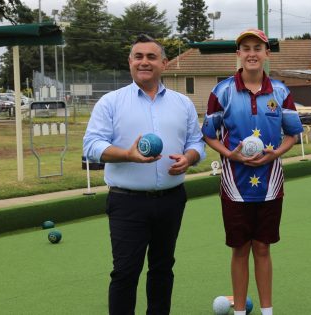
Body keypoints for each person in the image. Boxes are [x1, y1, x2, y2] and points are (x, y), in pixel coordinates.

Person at [83, 34, 206, 314]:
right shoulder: (110, 102)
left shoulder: (182, 103)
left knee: (163, 269)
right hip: (127, 202)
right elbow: (91, 146)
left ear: (164, 63)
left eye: (151, 57)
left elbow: (196, 143)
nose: (144, 62)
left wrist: (189, 158)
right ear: (130, 62)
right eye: (138, 56)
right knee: (125, 272)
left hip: (171, 199)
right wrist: (127, 155)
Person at [201, 29, 303, 315]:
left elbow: (292, 135)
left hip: (270, 184)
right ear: (238, 54)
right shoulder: (221, 91)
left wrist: (276, 154)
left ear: (266, 53)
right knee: (240, 249)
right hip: (234, 185)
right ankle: (240, 312)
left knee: (262, 248)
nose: (251, 53)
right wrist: (229, 154)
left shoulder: (281, 91)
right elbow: (208, 135)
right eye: (245, 48)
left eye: (257, 48)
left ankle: (267, 311)